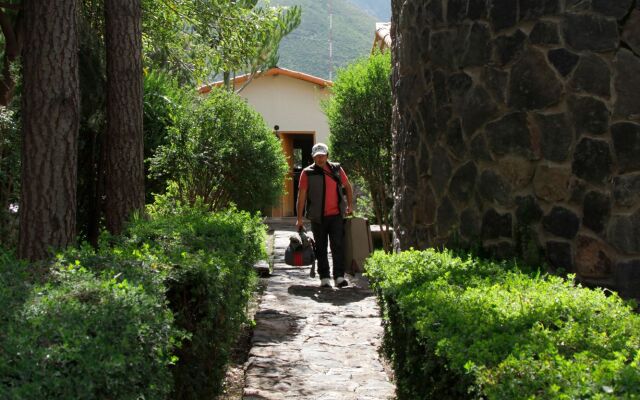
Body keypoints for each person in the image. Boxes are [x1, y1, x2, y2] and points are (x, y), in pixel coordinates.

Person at [296, 143, 354, 288]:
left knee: (338, 246)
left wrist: (350, 205)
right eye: (317, 157)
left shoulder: (336, 169)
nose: (320, 159)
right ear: (313, 158)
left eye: (322, 156)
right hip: (317, 217)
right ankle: (324, 277)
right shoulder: (307, 173)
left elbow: (347, 186)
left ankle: (339, 277)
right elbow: (301, 196)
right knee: (321, 248)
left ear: (327, 155)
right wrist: (299, 219)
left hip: (336, 215)